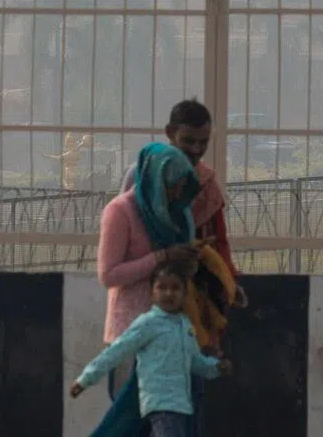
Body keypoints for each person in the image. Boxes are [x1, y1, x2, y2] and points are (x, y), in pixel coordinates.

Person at [97, 140, 236, 437]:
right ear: (154, 178)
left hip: (176, 331)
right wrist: (162, 257)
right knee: (130, 422)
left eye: (181, 187)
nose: (176, 194)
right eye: (171, 185)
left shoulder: (178, 212)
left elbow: (181, 269)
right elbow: (109, 275)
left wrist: (195, 258)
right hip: (132, 331)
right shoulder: (120, 212)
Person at [71, 260, 232, 437]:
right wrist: (86, 378)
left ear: (185, 293)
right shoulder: (148, 323)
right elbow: (116, 351)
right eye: (162, 287)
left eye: (175, 288)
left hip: (182, 406)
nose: (168, 293)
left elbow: (194, 361)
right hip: (161, 404)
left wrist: (215, 367)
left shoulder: (185, 325)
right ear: (152, 293)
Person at [121, 99, 246, 307]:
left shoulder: (206, 181)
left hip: (196, 288)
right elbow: (127, 239)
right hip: (149, 288)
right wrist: (166, 256)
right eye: (188, 141)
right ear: (170, 133)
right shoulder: (141, 176)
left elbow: (219, 240)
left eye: (203, 142)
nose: (196, 150)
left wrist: (228, 280)